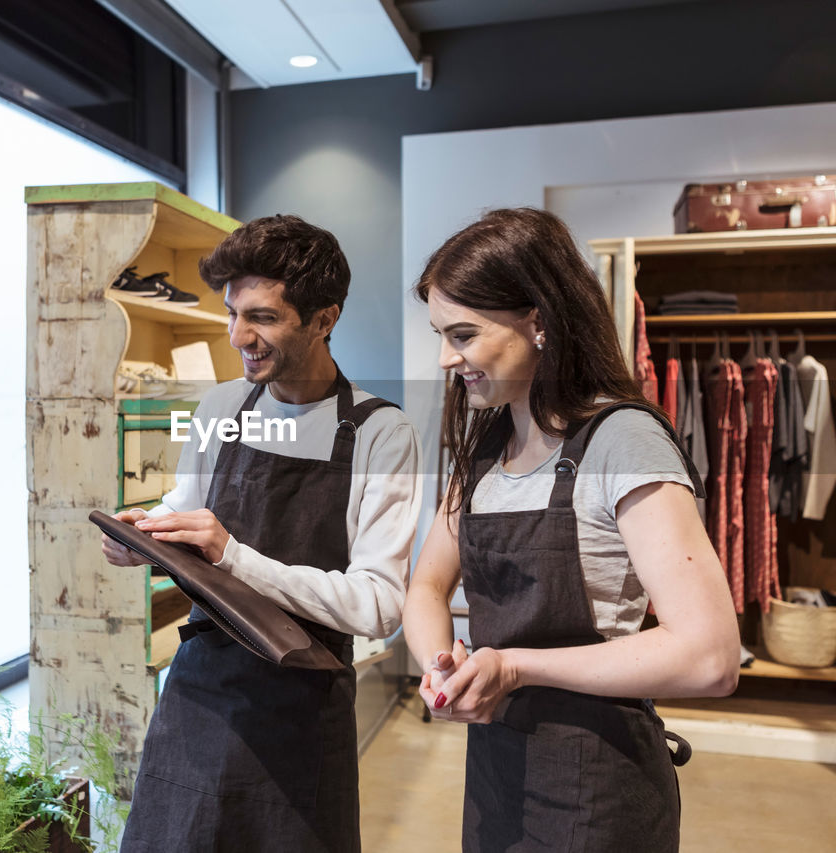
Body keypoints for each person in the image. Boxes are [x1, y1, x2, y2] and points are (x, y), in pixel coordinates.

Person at [403, 208, 739, 851]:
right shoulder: (484, 448)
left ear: (539, 322)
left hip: (598, 782)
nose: (447, 358)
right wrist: (439, 666)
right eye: (440, 334)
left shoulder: (624, 441)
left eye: (464, 334)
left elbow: (710, 657)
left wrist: (514, 668)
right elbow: (425, 587)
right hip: (498, 771)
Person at [103, 214, 422, 852]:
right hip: (201, 686)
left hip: (301, 707)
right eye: (231, 313)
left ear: (325, 319)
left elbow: (380, 604)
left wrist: (233, 555)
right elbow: (186, 507)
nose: (238, 336)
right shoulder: (221, 409)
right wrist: (144, 536)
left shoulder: (381, 434)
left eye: (263, 317)